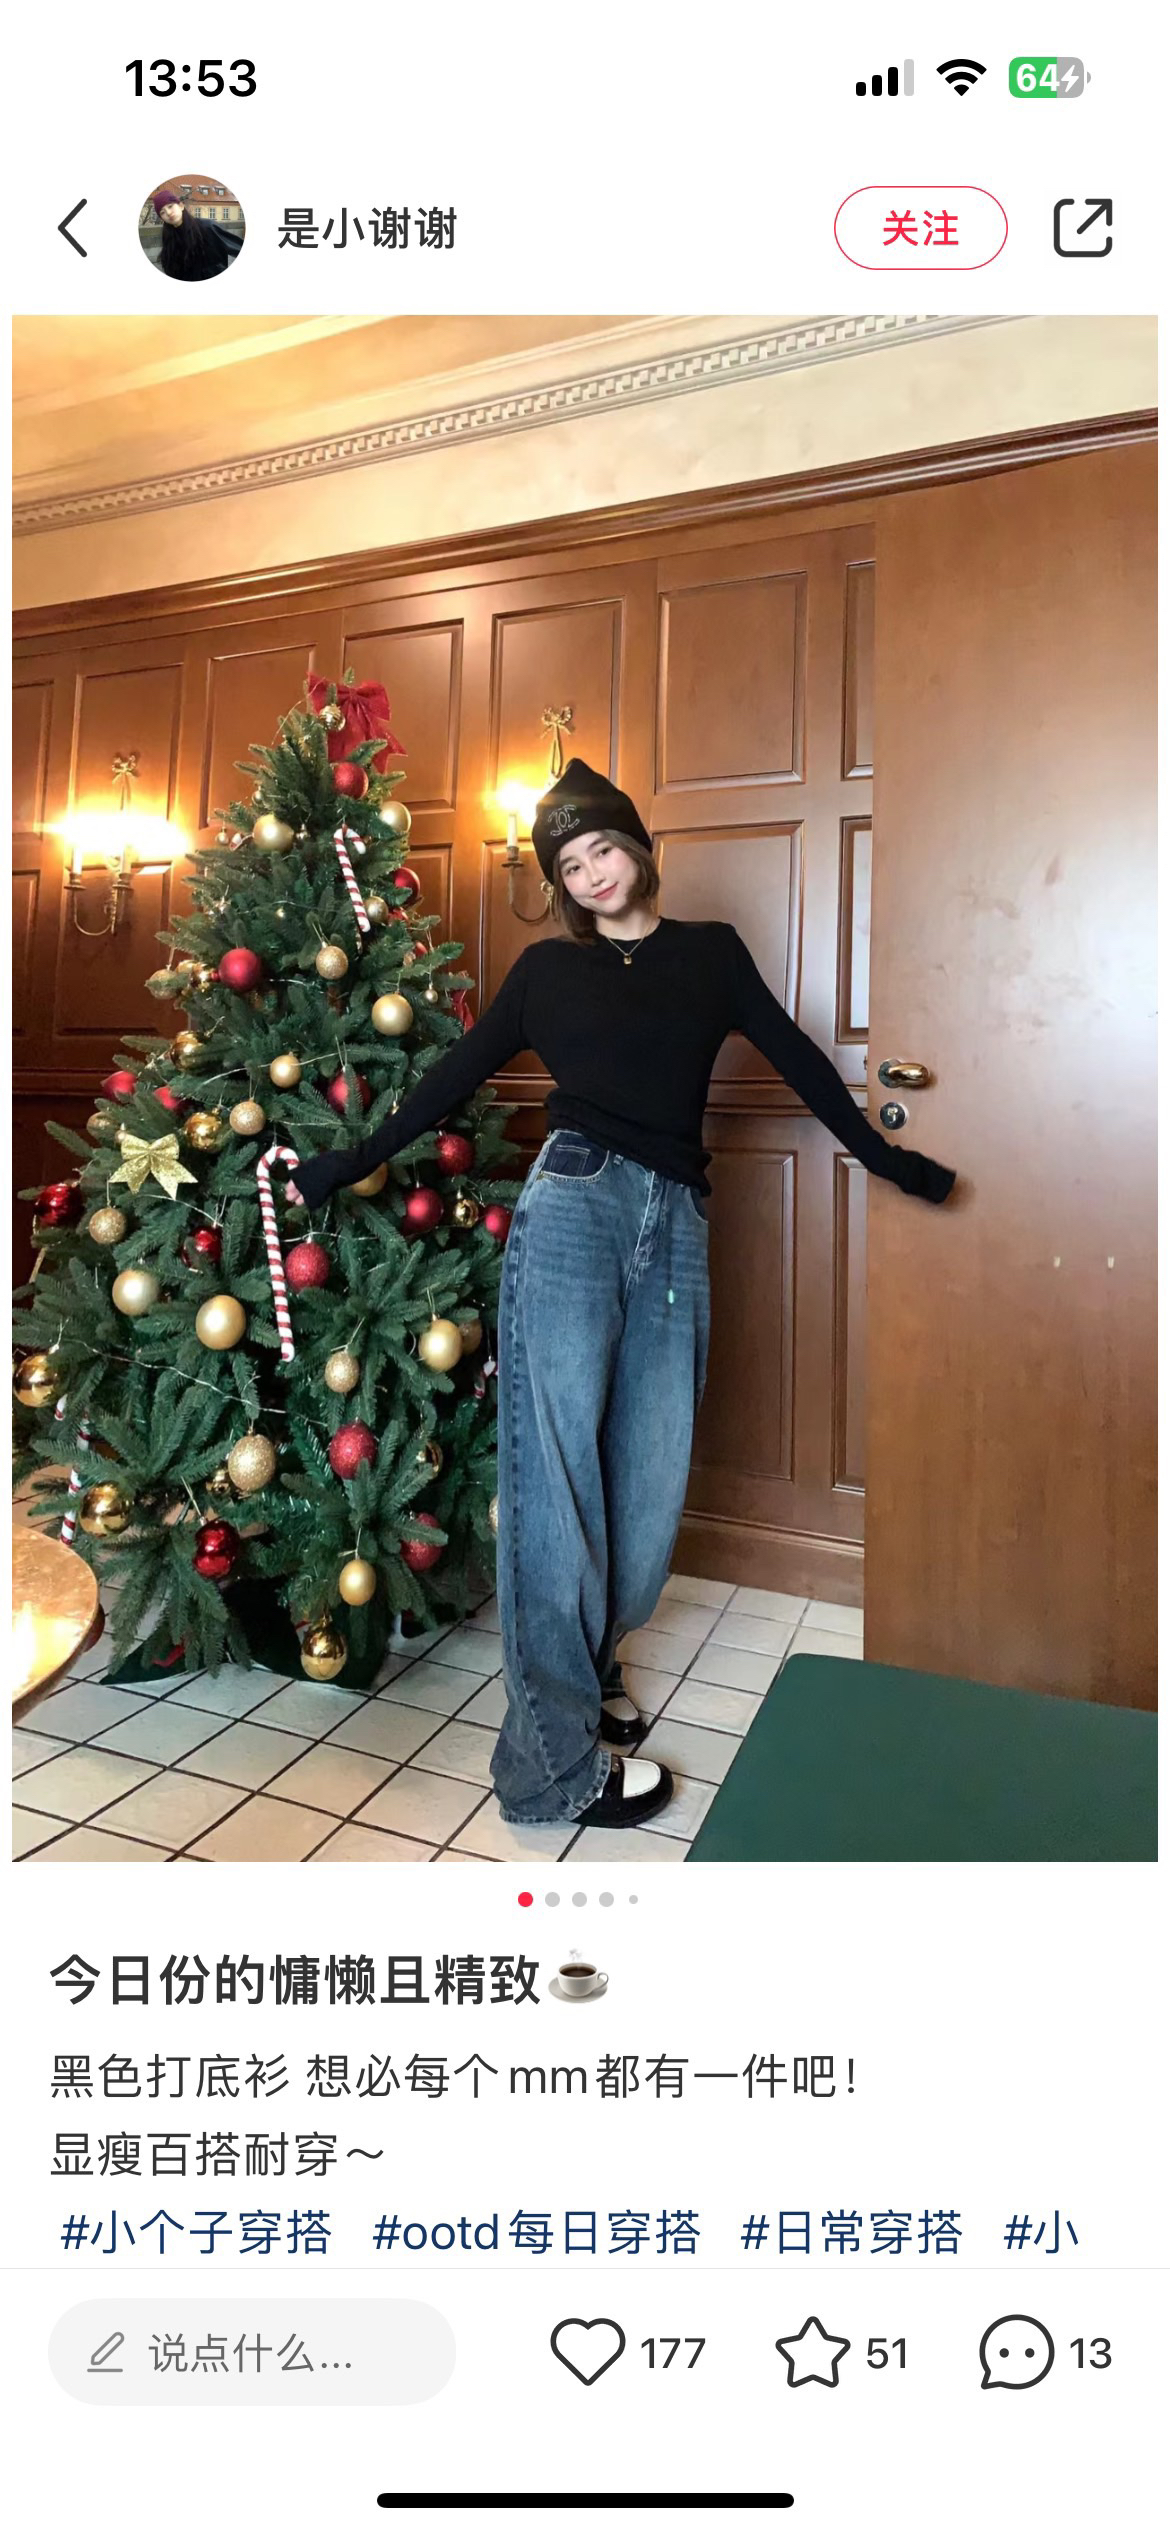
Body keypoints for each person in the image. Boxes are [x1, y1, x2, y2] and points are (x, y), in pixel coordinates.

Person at [289, 760, 957, 1833]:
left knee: (648, 1480)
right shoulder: (546, 972)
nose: (592, 873)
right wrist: (348, 1161)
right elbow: (450, 1078)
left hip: (675, 1222)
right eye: (569, 865)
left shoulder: (711, 954)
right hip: (573, 1209)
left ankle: (589, 1666)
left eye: (602, 848)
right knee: (554, 1479)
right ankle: (549, 1770)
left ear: (638, 848)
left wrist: (888, 1163)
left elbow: (798, 1059)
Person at [149, 188, 238, 280]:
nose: (168, 213)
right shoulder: (168, 238)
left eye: (170, 206)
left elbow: (237, 247)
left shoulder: (207, 227)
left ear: (181, 206)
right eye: (162, 212)